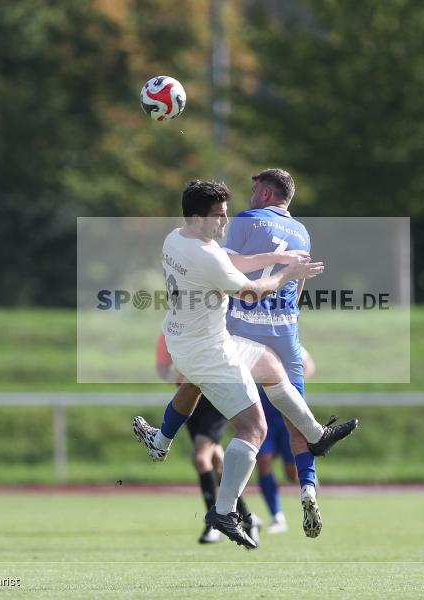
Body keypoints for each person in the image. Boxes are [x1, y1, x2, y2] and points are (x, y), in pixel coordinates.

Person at [133, 179, 358, 549]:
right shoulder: (206, 258)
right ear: (196, 216)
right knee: (254, 429)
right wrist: (287, 275)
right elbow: (252, 292)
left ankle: (315, 436)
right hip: (209, 352)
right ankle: (223, 511)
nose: (225, 222)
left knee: (270, 364)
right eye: (219, 216)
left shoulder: (177, 237)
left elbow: (232, 261)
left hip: (189, 339)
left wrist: (276, 258)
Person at [223, 168, 326, 538]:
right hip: (286, 331)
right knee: (299, 418)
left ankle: (224, 507)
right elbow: (296, 289)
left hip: (245, 326)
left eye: (253, 191)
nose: (249, 198)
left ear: (266, 193)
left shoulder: (247, 220)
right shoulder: (302, 231)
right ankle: (308, 488)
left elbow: (226, 269)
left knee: (232, 416)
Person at [155, 333, 260, 545]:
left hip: (217, 394)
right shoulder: (170, 330)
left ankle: (214, 525)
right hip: (189, 399)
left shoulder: (213, 321)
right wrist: (181, 378)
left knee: (200, 457)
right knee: (217, 463)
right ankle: (249, 518)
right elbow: (162, 368)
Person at [258, 345, 316, 534]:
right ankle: (277, 516)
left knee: (292, 473)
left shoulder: (286, 339)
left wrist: (288, 388)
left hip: (287, 413)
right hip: (265, 414)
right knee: (264, 462)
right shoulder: (253, 338)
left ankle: (313, 497)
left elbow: (308, 365)